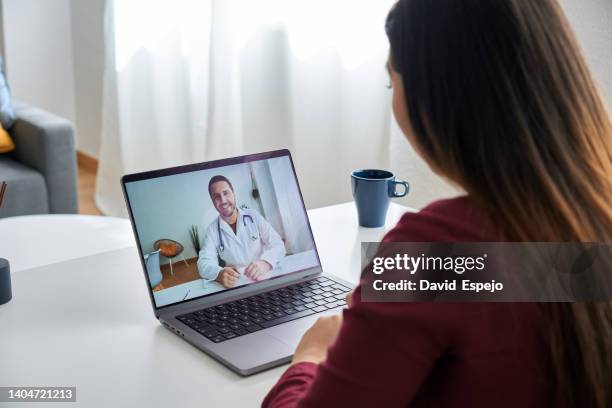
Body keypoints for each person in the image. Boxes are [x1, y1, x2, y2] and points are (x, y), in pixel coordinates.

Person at [263, 0, 612, 407]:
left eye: (393, 83)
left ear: (440, 95)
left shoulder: (434, 247)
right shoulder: (591, 216)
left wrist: (310, 356)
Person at [197, 175, 286, 288]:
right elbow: (203, 263)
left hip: (265, 278)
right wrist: (219, 274)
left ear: (233, 193)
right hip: (237, 283)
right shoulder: (212, 230)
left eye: (226, 193)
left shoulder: (253, 216)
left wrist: (266, 263)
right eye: (217, 197)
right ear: (212, 201)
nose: (223, 200)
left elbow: (278, 244)